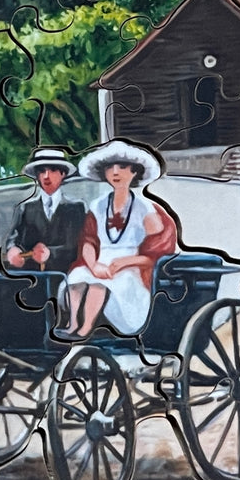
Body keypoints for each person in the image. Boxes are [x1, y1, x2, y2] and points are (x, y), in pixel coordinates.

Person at [58, 140, 178, 339]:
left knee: (99, 285)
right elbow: (88, 241)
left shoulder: (145, 209)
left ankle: (86, 328)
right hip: (100, 261)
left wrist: (124, 262)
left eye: (122, 167)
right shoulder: (98, 206)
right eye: (109, 167)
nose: (115, 172)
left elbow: (156, 254)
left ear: (134, 172)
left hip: (132, 268)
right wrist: (93, 265)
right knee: (77, 276)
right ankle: (73, 324)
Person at [3, 147, 86, 276]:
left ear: (63, 174)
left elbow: (76, 247)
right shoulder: (25, 208)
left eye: (53, 170)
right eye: (42, 171)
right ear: (37, 175)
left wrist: (50, 254)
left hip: (65, 274)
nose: (46, 176)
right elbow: (13, 238)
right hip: (29, 274)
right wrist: (12, 249)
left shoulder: (76, 208)